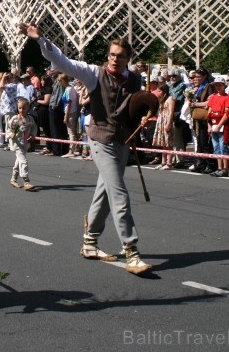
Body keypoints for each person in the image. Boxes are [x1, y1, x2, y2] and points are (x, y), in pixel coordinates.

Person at [20, 22, 152, 275]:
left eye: (120, 56)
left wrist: (145, 115)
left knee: (105, 191)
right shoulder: (94, 73)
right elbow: (64, 62)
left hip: (123, 141)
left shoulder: (136, 80)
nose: (114, 59)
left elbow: (137, 107)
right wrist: (40, 40)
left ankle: (90, 242)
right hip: (101, 140)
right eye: (112, 54)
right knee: (119, 194)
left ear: (128, 58)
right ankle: (131, 251)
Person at [8, 97, 38, 190]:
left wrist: (33, 134)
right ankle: (26, 181)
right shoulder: (15, 119)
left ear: (28, 108)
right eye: (20, 108)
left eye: (24, 108)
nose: (21, 110)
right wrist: (11, 134)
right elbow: (9, 128)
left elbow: (34, 127)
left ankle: (13, 179)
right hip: (17, 143)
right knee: (24, 161)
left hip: (25, 143)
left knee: (18, 162)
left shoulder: (30, 119)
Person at [207, 77, 229, 177]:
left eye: (220, 85)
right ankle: (219, 167)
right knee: (216, 147)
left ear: (224, 86)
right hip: (213, 124)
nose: (218, 87)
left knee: (223, 147)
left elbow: (227, 113)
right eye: (216, 85)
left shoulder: (226, 98)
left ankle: (225, 168)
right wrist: (209, 126)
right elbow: (209, 113)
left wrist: (219, 125)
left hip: (222, 125)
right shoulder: (213, 97)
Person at [152, 83, 175, 169]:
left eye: (159, 90)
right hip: (161, 120)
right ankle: (163, 161)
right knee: (163, 143)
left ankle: (169, 163)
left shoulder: (170, 99)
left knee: (168, 143)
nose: (158, 92)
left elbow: (171, 112)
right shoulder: (162, 99)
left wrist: (168, 123)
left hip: (166, 120)